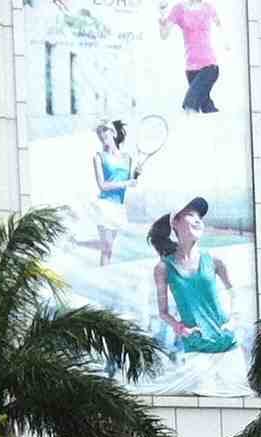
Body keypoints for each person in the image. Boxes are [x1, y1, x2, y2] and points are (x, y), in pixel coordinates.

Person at [149, 198, 242, 388]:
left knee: (237, 399)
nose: (198, 219)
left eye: (200, 216)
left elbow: (234, 293)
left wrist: (233, 321)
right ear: (175, 223)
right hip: (196, 349)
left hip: (228, 344)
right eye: (191, 215)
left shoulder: (215, 260)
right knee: (204, 399)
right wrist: (181, 328)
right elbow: (163, 312)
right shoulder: (163, 268)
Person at [162, 0, 226, 112]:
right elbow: (164, 35)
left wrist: (226, 41)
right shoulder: (178, 9)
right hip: (191, 69)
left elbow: (220, 25)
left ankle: (189, 119)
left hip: (210, 66)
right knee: (206, 106)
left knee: (190, 104)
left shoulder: (208, 7)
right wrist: (162, 18)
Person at [90, 121, 133, 267]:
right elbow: (102, 185)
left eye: (105, 130)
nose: (101, 134)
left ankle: (105, 274)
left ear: (113, 133)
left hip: (119, 207)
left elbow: (130, 181)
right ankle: (102, 277)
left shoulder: (128, 158)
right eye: (99, 132)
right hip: (104, 205)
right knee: (106, 248)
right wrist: (126, 183)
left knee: (109, 249)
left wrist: (135, 176)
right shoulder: (99, 157)